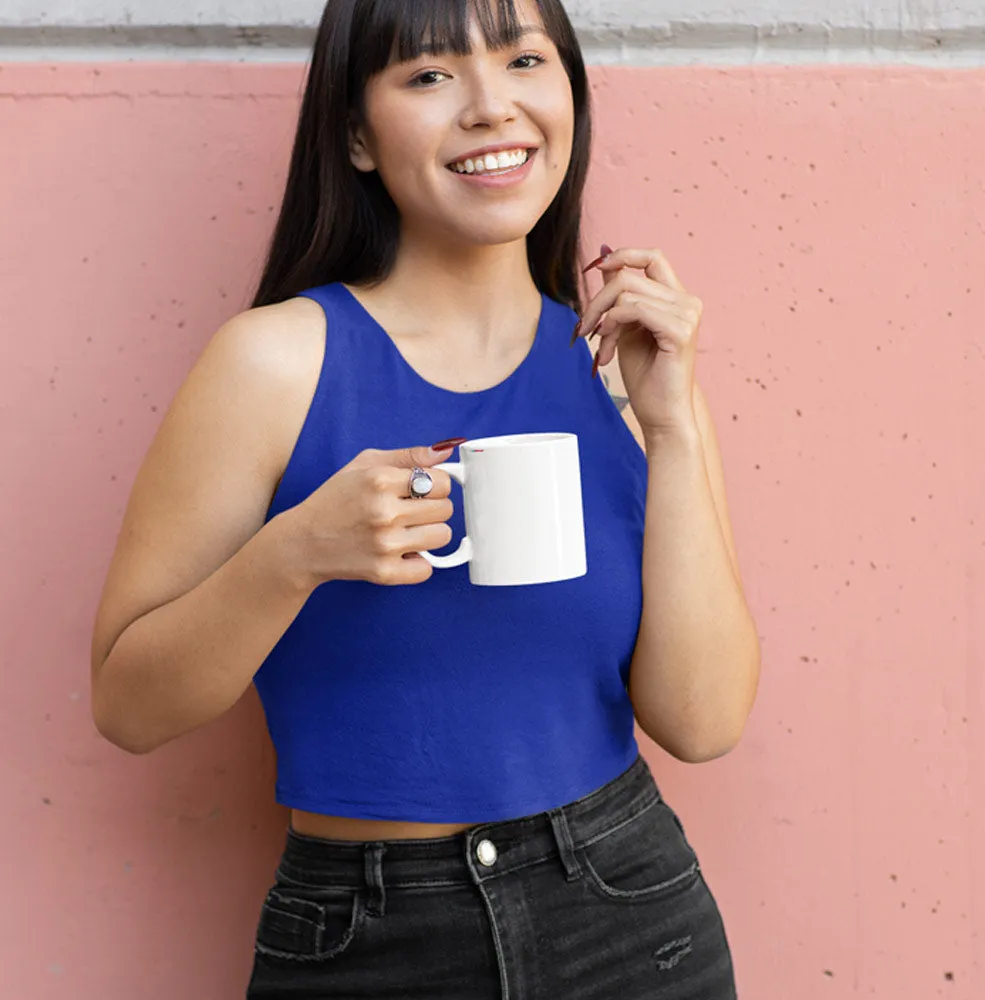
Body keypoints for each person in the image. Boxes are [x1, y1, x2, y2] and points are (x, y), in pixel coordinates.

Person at [90, 0, 761, 995]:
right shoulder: (273, 364)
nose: (492, 106)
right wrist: (294, 553)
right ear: (356, 135)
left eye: (525, 60)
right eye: (430, 75)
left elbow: (700, 721)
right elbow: (127, 705)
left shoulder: (624, 370)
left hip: (628, 911)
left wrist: (672, 425)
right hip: (368, 933)